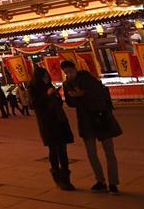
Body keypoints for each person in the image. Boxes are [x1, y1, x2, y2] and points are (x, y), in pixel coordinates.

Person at [62, 62, 123, 194]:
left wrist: (83, 94)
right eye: (66, 72)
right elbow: (70, 102)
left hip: (100, 118)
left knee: (109, 152)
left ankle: (113, 182)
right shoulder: (67, 84)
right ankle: (100, 181)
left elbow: (100, 94)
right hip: (86, 121)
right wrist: (74, 97)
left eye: (70, 71)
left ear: (75, 69)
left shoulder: (88, 79)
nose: (69, 74)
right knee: (91, 153)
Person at [29, 66, 75, 191]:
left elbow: (59, 103)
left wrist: (56, 96)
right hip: (47, 123)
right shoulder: (33, 88)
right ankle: (57, 176)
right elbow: (33, 104)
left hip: (59, 121)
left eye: (47, 76)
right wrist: (46, 95)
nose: (46, 78)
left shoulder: (50, 86)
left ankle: (66, 178)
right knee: (54, 149)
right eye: (43, 77)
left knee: (63, 150)